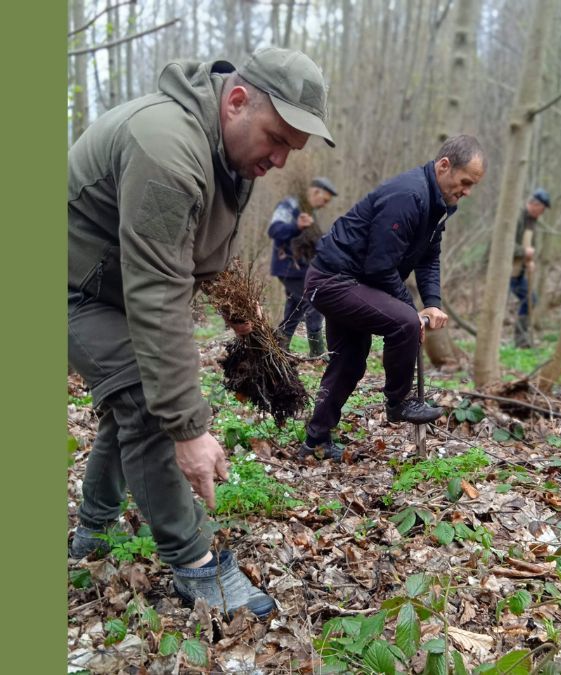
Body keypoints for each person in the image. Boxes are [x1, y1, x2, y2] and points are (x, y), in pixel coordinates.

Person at [67, 46, 335, 617]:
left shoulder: (226, 155)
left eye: (293, 147)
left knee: (129, 401)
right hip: (72, 286)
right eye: (277, 138)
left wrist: (240, 316)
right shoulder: (165, 146)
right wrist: (188, 430)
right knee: (145, 401)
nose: (281, 159)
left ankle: (92, 533)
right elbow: (158, 295)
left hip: (114, 287)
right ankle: (195, 563)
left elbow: (193, 253)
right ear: (236, 101)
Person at [298, 135, 486, 460]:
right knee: (404, 323)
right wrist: (412, 312)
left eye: (473, 186)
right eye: (465, 181)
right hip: (332, 280)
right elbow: (380, 267)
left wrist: (433, 303)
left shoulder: (437, 205)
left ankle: (315, 440)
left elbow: (429, 257)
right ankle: (399, 402)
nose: (467, 192)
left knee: (349, 362)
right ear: (444, 166)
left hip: (354, 283)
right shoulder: (409, 196)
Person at [269, 176, 338, 356]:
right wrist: (296, 226)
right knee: (314, 302)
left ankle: (278, 349)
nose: (324, 205)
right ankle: (317, 354)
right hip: (289, 268)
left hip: (302, 269)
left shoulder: (309, 211)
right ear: (315, 192)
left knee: (295, 308)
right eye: (324, 200)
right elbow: (274, 230)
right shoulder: (289, 205)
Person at [509, 188, 550, 347]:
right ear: (534, 204)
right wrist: (523, 251)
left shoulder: (532, 221)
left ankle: (521, 342)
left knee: (530, 300)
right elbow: (504, 244)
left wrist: (529, 261)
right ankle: (519, 341)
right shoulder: (517, 217)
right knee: (525, 301)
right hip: (505, 271)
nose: (542, 213)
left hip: (518, 271)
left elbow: (531, 247)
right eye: (541, 209)